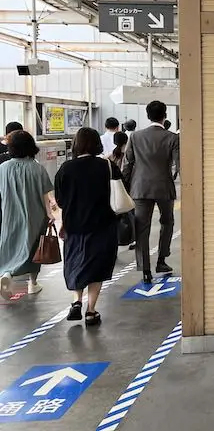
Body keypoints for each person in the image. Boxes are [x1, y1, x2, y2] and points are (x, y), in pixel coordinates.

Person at [55, 128, 120, 326]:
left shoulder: (66, 168)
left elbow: (60, 200)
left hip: (74, 225)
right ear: (96, 144)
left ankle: (77, 301)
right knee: (97, 266)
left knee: (75, 261)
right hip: (103, 224)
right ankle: (91, 311)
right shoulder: (106, 166)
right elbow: (119, 191)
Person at [124, 101, 180, 282]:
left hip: (140, 188)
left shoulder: (135, 136)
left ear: (148, 116)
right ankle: (162, 260)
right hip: (164, 186)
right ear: (165, 115)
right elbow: (179, 165)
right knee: (167, 221)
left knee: (142, 227)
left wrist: (125, 186)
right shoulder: (172, 138)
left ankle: (145, 269)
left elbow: (128, 163)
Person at [0, 131, 56, 299]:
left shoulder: (3, 168)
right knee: (34, 248)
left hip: (9, 214)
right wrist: (52, 213)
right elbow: (48, 195)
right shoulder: (37, 168)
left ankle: (7, 274)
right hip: (35, 214)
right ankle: (33, 283)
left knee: (9, 244)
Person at [108, 131, 136, 251]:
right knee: (132, 215)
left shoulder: (110, 156)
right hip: (129, 188)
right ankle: (133, 238)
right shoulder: (131, 155)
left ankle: (115, 241)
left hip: (114, 190)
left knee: (115, 216)